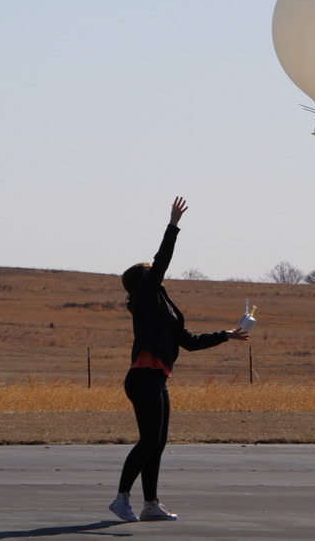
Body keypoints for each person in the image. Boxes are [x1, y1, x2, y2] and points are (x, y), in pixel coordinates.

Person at [109, 196, 249, 522]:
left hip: (157, 378)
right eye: (152, 274)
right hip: (143, 377)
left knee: (157, 443)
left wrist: (226, 334)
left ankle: (150, 505)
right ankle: (121, 499)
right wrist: (172, 226)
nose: (159, 276)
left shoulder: (165, 309)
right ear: (146, 281)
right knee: (147, 442)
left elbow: (188, 342)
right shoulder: (144, 298)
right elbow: (160, 263)